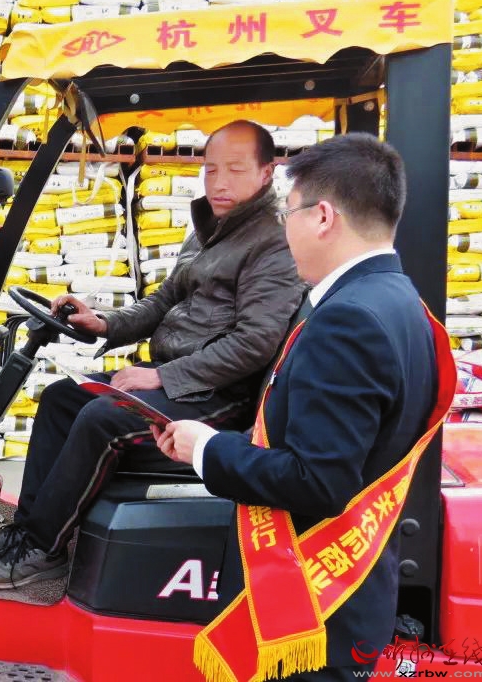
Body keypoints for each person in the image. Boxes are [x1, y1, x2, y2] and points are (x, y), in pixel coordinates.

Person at [153, 133, 453, 682]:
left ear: (322, 217)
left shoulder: (348, 320)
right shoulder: (399, 301)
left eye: (287, 213)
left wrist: (207, 449)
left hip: (309, 608)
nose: (282, 228)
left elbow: (317, 480)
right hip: (345, 592)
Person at [0, 120, 306, 589]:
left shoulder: (273, 244)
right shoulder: (212, 227)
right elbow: (164, 300)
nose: (219, 182)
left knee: (103, 419)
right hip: (180, 376)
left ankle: (44, 548)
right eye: (211, 169)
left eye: (234, 169)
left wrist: (163, 377)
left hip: (221, 393)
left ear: (267, 173)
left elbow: (254, 343)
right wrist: (104, 322)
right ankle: (26, 531)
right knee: (62, 398)